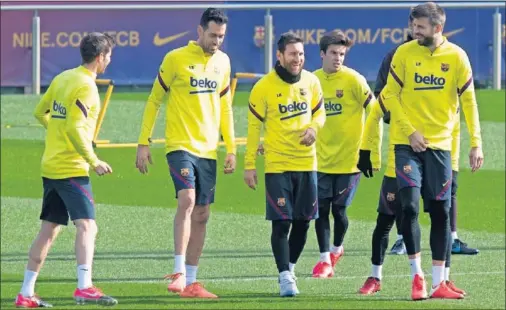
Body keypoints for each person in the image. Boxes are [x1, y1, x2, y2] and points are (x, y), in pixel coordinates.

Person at [380, 2, 483, 300]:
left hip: (440, 147)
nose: (415, 31)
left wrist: (476, 142)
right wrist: (410, 131)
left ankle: (440, 282)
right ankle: (417, 277)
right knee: (410, 206)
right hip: (406, 143)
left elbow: (469, 103)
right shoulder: (404, 53)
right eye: (413, 26)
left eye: (420, 27)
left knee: (440, 211)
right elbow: (390, 95)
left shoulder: (457, 57)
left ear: (437, 28)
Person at [135, 8, 236, 299]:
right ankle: (178, 272)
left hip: (208, 149)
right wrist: (144, 142)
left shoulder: (223, 62)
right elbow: (155, 99)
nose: (217, 41)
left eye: (222, 37)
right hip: (179, 145)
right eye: (213, 34)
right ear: (199, 31)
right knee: (188, 199)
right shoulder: (175, 59)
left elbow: (226, 107)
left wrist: (231, 148)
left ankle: (191, 282)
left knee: (202, 214)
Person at [15, 32, 117, 308]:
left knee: (49, 230)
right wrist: (93, 159)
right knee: (87, 226)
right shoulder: (86, 86)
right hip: (71, 167)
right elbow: (73, 127)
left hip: (51, 166)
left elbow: (40, 112)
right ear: (100, 58)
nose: (109, 60)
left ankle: (26, 292)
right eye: (108, 56)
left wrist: (57, 133)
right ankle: (84, 287)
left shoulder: (62, 78)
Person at [357, 95, 464, 297]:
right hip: (396, 168)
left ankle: (443, 279)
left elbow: (454, 131)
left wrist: (454, 166)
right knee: (386, 221)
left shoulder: (443, 91)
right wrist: (370, 153)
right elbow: (374, 115)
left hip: (437, 163)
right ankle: (375, 276)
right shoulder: (394, 90)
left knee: (442, 214)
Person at [243, 32, 326, 297]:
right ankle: (284, 276)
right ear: (279, 56)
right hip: (277, 164)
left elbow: (320, 112)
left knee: (303, 222)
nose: (297, 59)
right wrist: (249, 165)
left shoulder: (312, 81)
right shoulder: (263, 87)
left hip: (307, 163)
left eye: (301, 54)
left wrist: (314, 127)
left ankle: (288, 268)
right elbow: (254, 129)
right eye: (292, 54)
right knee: (282, 223)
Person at [311, 31, 380, 278]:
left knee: (339, 211)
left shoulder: (354, 80)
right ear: (322, 54)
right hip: (318, 159)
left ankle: (336, 249)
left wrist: (371, 149)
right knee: (320, 210)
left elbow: (375, 112)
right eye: (333, 53)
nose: (338, 58)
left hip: (349, 160)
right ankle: (324, 259)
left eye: (342, 54)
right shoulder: (311, 81)